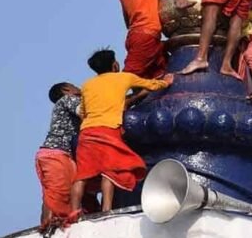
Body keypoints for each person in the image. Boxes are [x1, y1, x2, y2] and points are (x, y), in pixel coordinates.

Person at [69, 49, 174, 217]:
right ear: (114, 64)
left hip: (87, 132)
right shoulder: (123, 78)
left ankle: (73, 213)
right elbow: (151, 85)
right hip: (109, 130)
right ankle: (106, 210)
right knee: (109, 172)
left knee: (83, 174)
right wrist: (166, 82)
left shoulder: (87, 85)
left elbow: (82, 111)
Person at [119, 0, 208, 80]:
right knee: (128, 77)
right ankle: (113, 95)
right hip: (146, 35)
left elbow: (128, 23)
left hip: (136, 36)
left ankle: (137, 97)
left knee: (158, 76)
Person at [34, 82, 82, 230]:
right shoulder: (68, 99)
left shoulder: (62, 105)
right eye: (75, 86)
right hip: (57, 153)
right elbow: (85, 111)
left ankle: (46, 224)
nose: (79, 89)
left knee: (51, 193)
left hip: (51, 154)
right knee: (57, 192)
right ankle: (48, 227)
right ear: (66, 90)